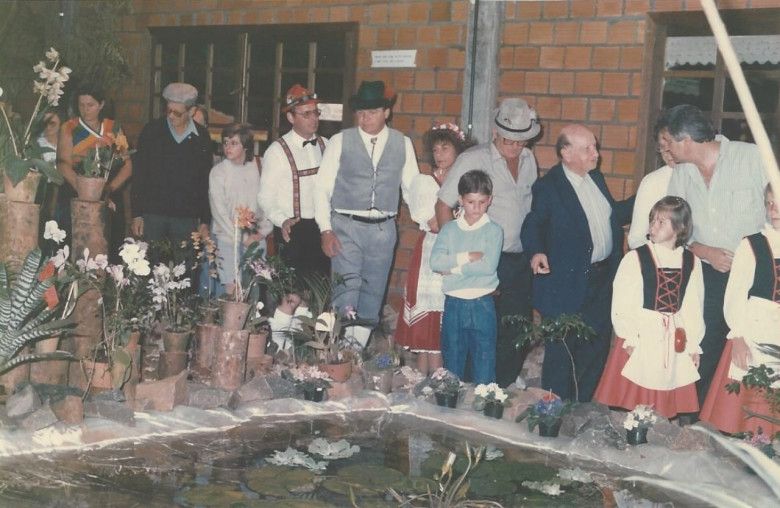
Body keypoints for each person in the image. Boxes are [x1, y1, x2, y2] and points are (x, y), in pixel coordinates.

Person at [659, 104, 768, 408]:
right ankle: (695, 422)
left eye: (668, 141)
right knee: (703, 347)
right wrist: (703, 250)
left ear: (686, 141)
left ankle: (746, 428)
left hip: (753, 279)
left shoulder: (752, 157)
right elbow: (674, 229)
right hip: (706, 275)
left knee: (749, 352)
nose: (665, 148)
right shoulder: (681, 174)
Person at [520, 124, 632, 402]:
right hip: (565, 283)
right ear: (566, 153)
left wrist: (647, 197)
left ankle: (580, 409)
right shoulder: (549, 187)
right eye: (588, 148)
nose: (596, 154)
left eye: (595, 147)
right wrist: (536, 252)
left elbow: (612, 215)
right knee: (562, 354)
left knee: (594, 349)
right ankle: (554, 413)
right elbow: (533, 224)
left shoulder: (596, 179)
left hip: (601, 280)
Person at [435, 98, 540, 387]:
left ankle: (498, 389)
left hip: (519, 259)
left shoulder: (530, 161)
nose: (515, 147)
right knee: (479, 331)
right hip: (483, 258)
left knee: (517, 326)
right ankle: (466, 388)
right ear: (495, 133)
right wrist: (454, 253)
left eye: (521, 142)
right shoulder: (472, 159)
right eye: (509, 141)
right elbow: (443, 206)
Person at [314, 80, 419, 350]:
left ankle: (354, 353)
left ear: (386, 112)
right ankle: (339, 354)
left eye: (371, 112)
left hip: (384, 231)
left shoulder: (402, 143)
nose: (365, 118)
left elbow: (412, 187)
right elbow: (321, 187)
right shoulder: (340, 141)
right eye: (360, 113)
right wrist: (326, 229)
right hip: (345, 227)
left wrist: (430, 219)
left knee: (373, 293)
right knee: (346, 292)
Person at [594, 196, 704, 419]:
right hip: (642, 333)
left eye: (661, 222)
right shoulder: (637, 258)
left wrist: (693, 344)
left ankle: (657, 432)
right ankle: (634, 434)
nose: (653, 226)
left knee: (665, 388)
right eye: (652, 220)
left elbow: (693, 305)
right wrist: (630, 337)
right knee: (635, 394)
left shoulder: (691, 261)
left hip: (673, 335)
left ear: (680, 227)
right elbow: (623, 301)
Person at [699, 184, 780, 436]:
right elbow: (735, 294)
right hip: (756, 330)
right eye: (769, 203)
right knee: (750, 399)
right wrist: (738, 337)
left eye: (778, 202)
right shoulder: (752, 244)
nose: (773, 209)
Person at [396, 123, 471, 375]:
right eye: (436, 149)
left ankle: (439, 382)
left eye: (446, 148)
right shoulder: (425, 183)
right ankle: (423, 380)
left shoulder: (467, 181)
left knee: (445, 318)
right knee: (428, 315)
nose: (440, 154)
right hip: (433, 252)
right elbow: (435, 222)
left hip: (457, 254)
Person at [430, 170, 502, 385]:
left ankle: (483, 405)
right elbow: (435, 262)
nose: (477, 208)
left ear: (489, 200)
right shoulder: (450, 230)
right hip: (454, 303)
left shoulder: (493, 230)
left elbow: (488, 266)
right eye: (471, 202)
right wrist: (469, 256)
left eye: (482, 202)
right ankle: (450, 407)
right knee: (453, 358)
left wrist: (454, 269)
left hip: (483, 302)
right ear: (460, 200)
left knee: (485, 358)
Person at [260, 84, 330, 278]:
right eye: (306, 114)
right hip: (293, 230)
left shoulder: (328, 145)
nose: (314, 118)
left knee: (320, 291)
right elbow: (265, 198)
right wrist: (282, 221)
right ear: (291, 117)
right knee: (291, 294)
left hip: (323, 227)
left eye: (315, 112)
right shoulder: (277, 151)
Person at [131, 82, 212, 248]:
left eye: (177, 113)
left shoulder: (202, 137)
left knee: (186, 269)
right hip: (153, 216)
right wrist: (137, 214)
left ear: (192, 111)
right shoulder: (152, 131)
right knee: (151, 267)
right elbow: (139, 175)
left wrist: (204, 220)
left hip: (186, 218)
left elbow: (205, 181)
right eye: (168, 110)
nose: (171, 116)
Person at [56, 85, 133, 244]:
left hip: (108, 193)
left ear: (101, 105)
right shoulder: (69, 128)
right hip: (76, 192)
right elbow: (63, 164)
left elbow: (127, 166)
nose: (85, 110)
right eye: (81, 105)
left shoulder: (114, 128)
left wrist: (107, 189)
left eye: (90, 105)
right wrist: (86, 191)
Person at [208, 123, 272, 297]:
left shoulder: (260, 166)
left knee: (254, 287)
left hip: (256, 237)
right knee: (231, 290)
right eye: (225, 142)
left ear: (245, 145)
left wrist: (263, 231)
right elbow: (219, 211)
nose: (228, 147)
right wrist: (241, 237)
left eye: (234, 143)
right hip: (228, 238)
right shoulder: (218, 172)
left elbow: (270, 201)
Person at [627, 139, 676, 249]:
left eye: (672, 144)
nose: (667, 152)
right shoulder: (653, 181)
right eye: (662, 146)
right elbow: (636, 237)